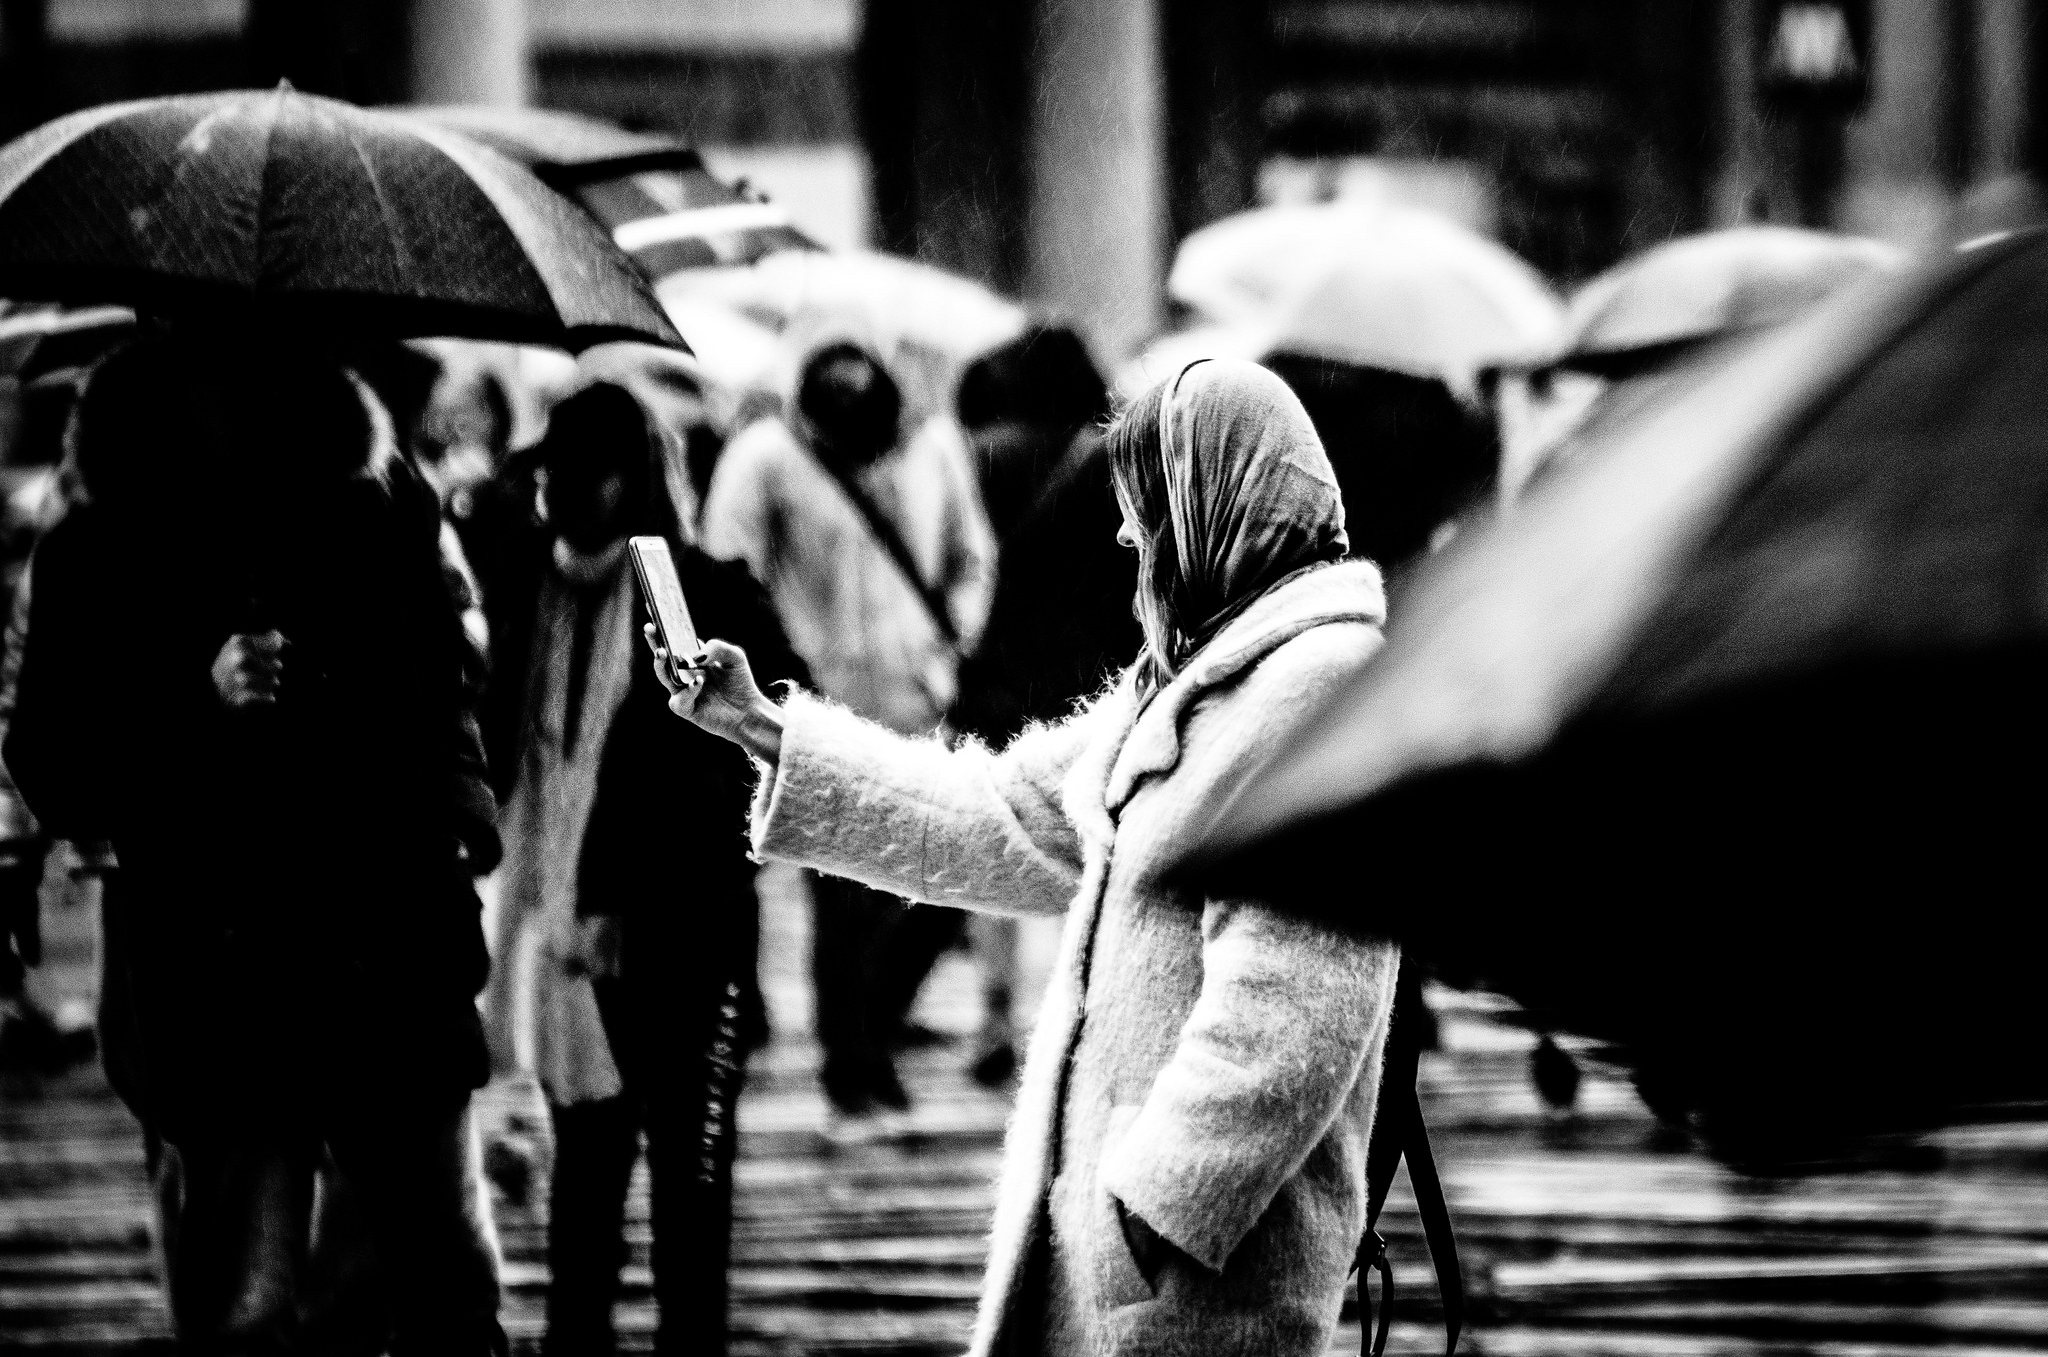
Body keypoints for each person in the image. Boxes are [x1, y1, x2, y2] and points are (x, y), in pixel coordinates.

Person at [658, 358, 1399, 1357]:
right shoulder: (1195, 683)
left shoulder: (1314, 694)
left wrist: (1146, 1213)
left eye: (1148, 516)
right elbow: (992, 810)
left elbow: (1291, 1016)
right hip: (1118, 1278)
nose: (1130, 544)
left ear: (1214, 509)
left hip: (1196, 1295)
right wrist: (766, 729)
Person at [6, 336, 507, 1356]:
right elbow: (54, 762)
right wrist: (197, 703)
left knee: (438, 1289)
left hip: (390, 938)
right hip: (221, 968)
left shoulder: (376, 490)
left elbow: (447, 679)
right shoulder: (97, 538)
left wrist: (462, 817)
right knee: (247, 1305)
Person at [476, 375, 806, 1357]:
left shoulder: (704, 591)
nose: (564, 495)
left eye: (589, 474)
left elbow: (782, 729)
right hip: (565, 936)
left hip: (685, 937)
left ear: (633, 482)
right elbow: (497, 745)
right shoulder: (523, 587)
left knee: (691, 1191)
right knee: (582, 1183)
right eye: (553, 474)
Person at [700, 337, 994, 1124]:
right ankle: (851, 1054)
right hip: (819, 707)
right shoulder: (765, 458)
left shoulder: (933, 450)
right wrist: (775, 673)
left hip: (915, 699)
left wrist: (952, 639)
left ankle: (868, 1038)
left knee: (915, 876)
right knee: (838, 887)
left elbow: (972, 557)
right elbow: (728, 567)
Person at [949, 324, 1142, 1083]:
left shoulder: (978, 454)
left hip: (995, 669)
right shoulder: (1107, 459)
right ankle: (1076, 1005)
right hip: (1085, 680)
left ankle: (995, 1008)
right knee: (1086, 846)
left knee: (992, 837)